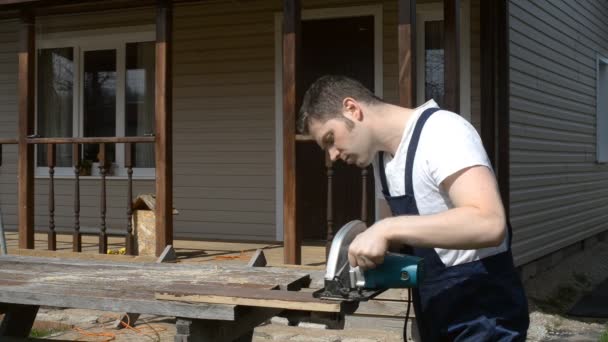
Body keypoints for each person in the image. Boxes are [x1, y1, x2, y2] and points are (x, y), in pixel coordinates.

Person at [298, 75, 529, 341]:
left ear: (352, 108)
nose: (332, 155)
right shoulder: (383, 162)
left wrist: (387, 228)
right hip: (434, 307)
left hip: (483, 313)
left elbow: (489, 222)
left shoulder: (442, 131)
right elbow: (401, 242)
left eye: (330, 138)